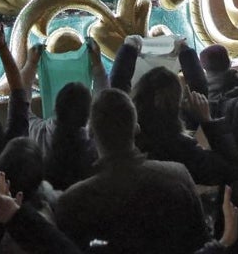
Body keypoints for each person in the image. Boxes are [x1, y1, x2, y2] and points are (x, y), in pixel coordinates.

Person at [54, 87, 207, 253]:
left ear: (90, 132)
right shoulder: (178, 176)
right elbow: (201, 243)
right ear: (136, 128)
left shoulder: (72, 203)